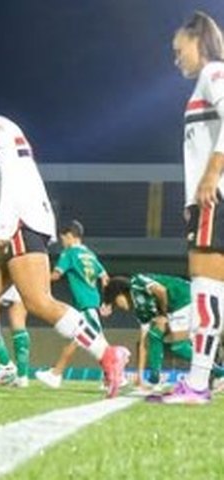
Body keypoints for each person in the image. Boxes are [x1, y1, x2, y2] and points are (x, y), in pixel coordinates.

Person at [0, 105, 128, 397]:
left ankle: (107, 354)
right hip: (16, 223)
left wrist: (5, 223)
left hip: (19, 222)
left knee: (38, 302)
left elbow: (13, 174)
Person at [150, 11, 224, 404]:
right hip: (206, 199)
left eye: (179, 50)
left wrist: (210, 178)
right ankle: (200, 381)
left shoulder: (213, 74)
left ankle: (197, 384)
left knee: (205, 288)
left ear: (198, 41)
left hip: (216, 195)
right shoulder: (205, 81)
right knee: (213, 291)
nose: (176, 58)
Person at [102, 274, 224, 393]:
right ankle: (154, 379)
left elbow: (161, 291)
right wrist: (140, 376)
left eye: (114, 302)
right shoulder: (140, 310)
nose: (118, 306)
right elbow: (144, 342)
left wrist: (163, 314)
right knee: (154, 336)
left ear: (119, 293)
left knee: (179, 346)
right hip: (176, 307)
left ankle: (220, 373)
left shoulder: (137, 283)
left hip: (185, 298)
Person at [36, 220, 110, 389]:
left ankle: (56, 374)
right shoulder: (90, 255)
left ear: (69, 236)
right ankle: (111, 376)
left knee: (81, 339)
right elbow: (105, 277)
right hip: (93, 302)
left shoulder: (69, 253)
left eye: (63, 239)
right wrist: (107, 301)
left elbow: (56, 275)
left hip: (84, 304)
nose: (63, 243)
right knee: (94, 341)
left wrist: (34, 281)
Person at [0, 286, 30, 388]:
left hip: (2, 277)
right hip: (21, 279)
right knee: (19, 326)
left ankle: (7, 366)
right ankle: (22, 376)